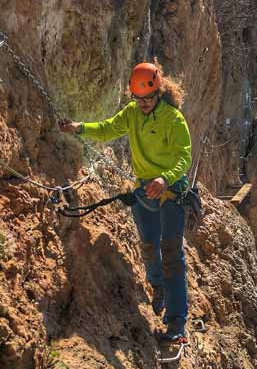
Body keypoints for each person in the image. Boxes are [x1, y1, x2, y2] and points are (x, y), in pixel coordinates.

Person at [58, 62, 192, 342]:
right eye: (138, 98)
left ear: (158, 93)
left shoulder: (173, 118)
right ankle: (158, 288)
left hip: (172, 191)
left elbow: (184, 157)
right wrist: (78, 127)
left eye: (148, 98)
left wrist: (165, 179)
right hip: (145, 188)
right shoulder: (132, 113)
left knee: (171, 253)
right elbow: (108, 129)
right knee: (147, 245)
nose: (143, 103)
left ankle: (177, 324)